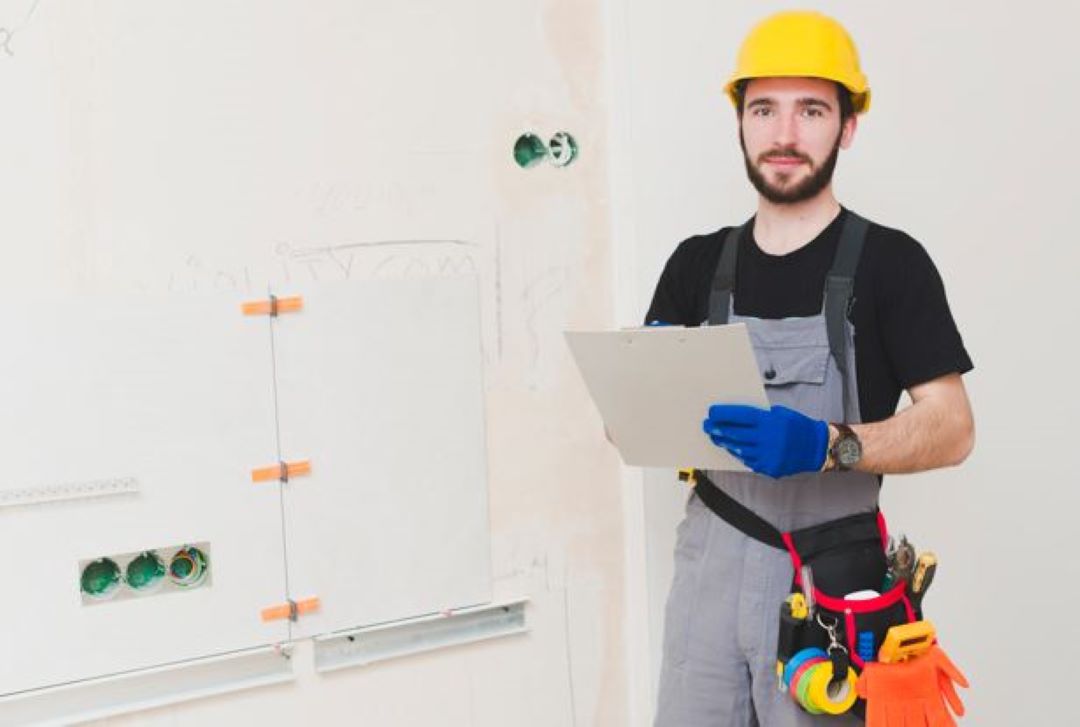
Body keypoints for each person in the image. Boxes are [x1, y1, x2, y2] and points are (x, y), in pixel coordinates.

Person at [645, 11, 975, 726]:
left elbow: (952, 428)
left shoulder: (892, 265)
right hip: (708, 568)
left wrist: (828, 444)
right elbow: (635, 427)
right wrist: (638, 397)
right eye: (764, 108)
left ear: (847, 126)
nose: (785, 134)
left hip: (832, 585)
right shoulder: (694, 264)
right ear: (740, 119)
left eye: (812, 110)